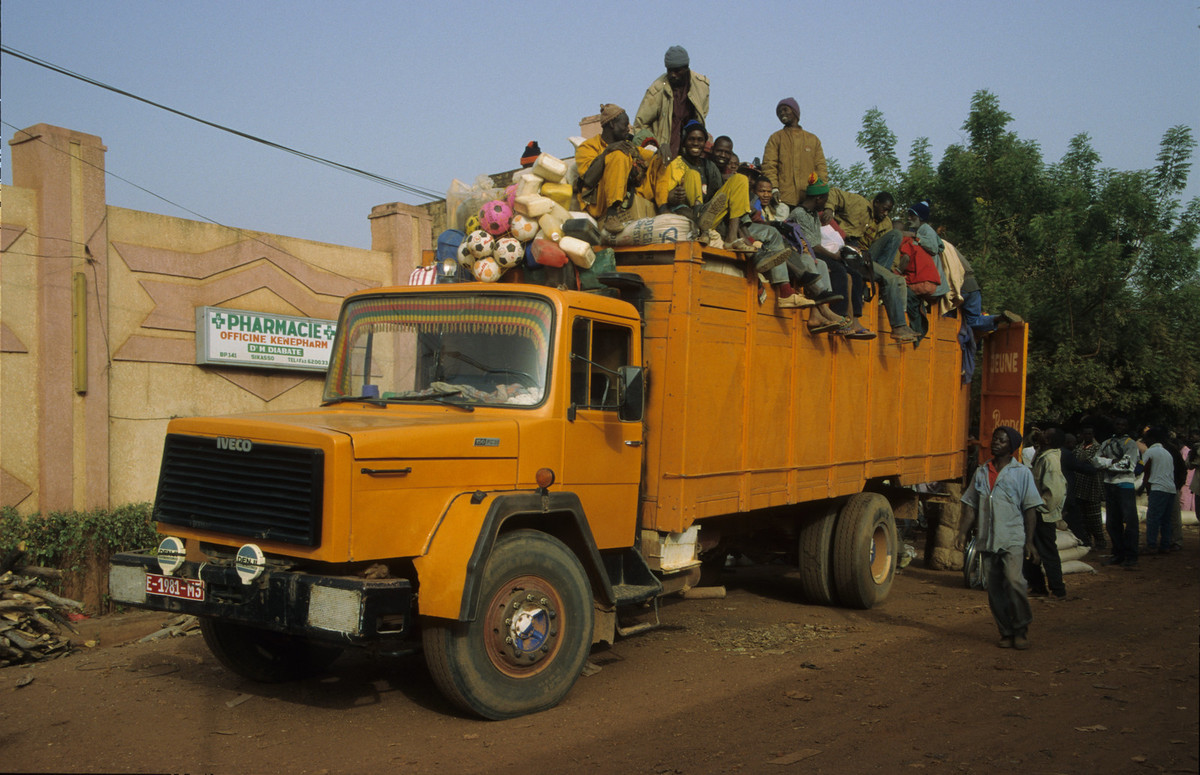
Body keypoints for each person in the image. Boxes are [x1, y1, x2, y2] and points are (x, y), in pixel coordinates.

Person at [955, 426, 1043, 650]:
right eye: (995, 439)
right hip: (988, 539)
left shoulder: (1022, 473)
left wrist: (1029, 542)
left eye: (1002, 441)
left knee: (1014, 583)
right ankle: (1005, 631)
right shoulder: (982, 471)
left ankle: (1021, 628)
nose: (996, 443)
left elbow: (1031, 508)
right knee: (994, 590)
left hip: (1012, 537)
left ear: (1012, 447)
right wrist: (962, 532)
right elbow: (971, 506)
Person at [787, 176, 873, 339]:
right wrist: (834, 255)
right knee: (840, 271)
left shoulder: (812, 214)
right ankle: (837, 316)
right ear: (818, 198)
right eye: (825, 199)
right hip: (805, 252)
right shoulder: (800, 213)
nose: (826, 203)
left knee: (855, 275)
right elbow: (812, 245)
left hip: (817, 250)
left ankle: (853, 319)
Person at [574, 104, 659, 232]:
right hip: (599, 202)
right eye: (624, 125)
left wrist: (662, 153)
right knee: (618, 155)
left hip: (628, 198)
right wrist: (607, 152)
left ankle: (665, 206)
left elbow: (651, 157)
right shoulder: (587, 147)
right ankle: (612, 216)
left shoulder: (628, 145)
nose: (627, 130)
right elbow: (588, 180)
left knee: (661, 163)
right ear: (613, 124)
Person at [634, 46, 709, 161]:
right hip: (663, 156)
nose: (673, 75)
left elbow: (701, 118)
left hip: (689, 156)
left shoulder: (701, 86)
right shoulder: (657, 90)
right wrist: (654, 148)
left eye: (677, 71)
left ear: (686, 68)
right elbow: (640, 124)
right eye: (670, 70)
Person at [761, 98, 827, 209]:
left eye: (785, 109)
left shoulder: (812, 139)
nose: (782, 113)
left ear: (795, 112)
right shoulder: (776, 138)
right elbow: (769, 165)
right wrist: (774, 188)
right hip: (784, 199)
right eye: (779, 112)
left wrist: (822, 193)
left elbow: (821, 168)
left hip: (809, 199)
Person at [1026, 428, 1068, 600]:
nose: (1040, 434)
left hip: (1042, 514)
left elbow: (1054, 492)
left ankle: (1058, 590)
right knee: (1031, 549)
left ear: (1049, 441)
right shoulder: (1043, 454)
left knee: (1047, 552)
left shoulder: (1050, 460)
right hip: (1036, 512)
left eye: (1045, 434)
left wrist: (1040, 507)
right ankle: (1037, 587)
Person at [1096, 417, 1142, 567]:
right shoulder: (1107, 443)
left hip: (1125, 485)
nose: (1120, 426)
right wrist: (1112, 462)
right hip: (1109, 484)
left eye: (1123, 424)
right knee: (1112, 523)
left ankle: (1131, 556)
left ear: (1127, 427)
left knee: (1130, 522)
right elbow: (1095, 460)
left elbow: (1128, 465)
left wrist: (1106, 464)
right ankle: (1118, 553)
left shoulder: (1131, 444)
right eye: (1117, 423)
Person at [1140, 427, 1177, 554]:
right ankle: (1165, 545)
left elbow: (1140, 467)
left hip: (1158, 488)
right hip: (1170, 489)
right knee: (1166, 519)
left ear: (1152, 439)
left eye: (1146, 440)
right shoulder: (1167, 453)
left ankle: (1151, 545)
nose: (1145, 442)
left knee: (1153, 518)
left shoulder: (1150, 452)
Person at [1073, 425, 1108, 549]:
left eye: (1089, 434)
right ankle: (1086, 541)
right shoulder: (1077, 448)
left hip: (1093, 486)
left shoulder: (1098, 448)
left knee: (1095, 518)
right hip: (1079, 486)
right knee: (1082, 517)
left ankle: (1100, 541)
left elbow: (1094, 463)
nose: (1087, 436)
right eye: (1085, 434)